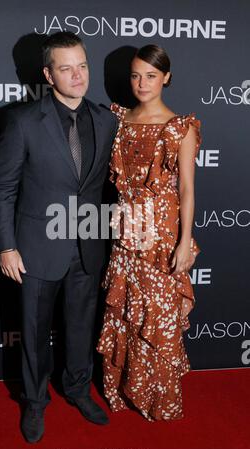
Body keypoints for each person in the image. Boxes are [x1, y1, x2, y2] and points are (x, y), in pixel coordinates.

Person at [0, 31, 117, 443]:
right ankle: (34, 402)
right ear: (48, 73)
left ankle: (78, 389)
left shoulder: (105, 118)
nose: (78, 75)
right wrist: (6, 245)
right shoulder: (23, 121)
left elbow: (105, 187)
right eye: (66, 68)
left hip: (88, 245)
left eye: (82, 65)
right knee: (33, 331)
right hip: (36, 248)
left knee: (81, 328)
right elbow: (2, 188)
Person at [97, 44, 201, 421]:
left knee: (158, 317)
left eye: (151, 76)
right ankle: (124, 391)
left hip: (161, 236)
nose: (142, 83)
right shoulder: (119, 120)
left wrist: (185, 240)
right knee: (126, 312)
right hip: (126, 233)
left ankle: (159, 399)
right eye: (136, 75)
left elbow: (187, 189)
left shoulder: (180, 127)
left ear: (166, 78)